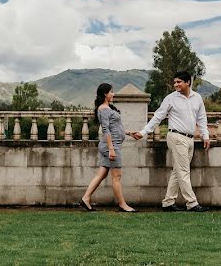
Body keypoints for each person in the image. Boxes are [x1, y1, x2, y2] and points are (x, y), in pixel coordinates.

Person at [130, 70, 210, 212]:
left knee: (178, 171)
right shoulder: (170, 98)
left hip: (190, 139)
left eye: (179, 82)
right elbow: (158, 117)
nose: (175, 84)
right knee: (184, 171)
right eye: (175, 82)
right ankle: (192, 203)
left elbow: (202, 118)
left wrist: (206, 136)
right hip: (176, 137)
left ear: (188, 82)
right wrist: (143, 132)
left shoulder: (197, 98)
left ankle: (168, 202)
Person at [79, 83, 137, 212]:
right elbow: (106, 129)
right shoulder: (103, 109)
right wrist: (111, 149)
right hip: (111, 146)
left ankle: (86, 198)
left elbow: (115, 127)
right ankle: (122, 205)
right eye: (111, 92)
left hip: (111, 145)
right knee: (116, 177)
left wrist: (128, 133)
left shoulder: (107, 108)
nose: (113, 94)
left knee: (101, 174)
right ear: (105, 93)